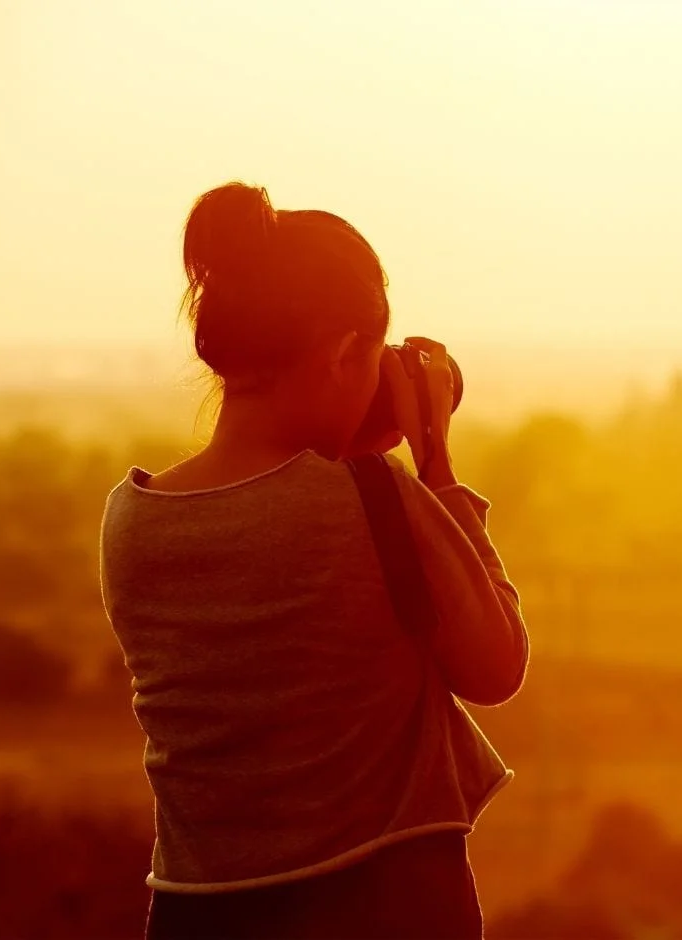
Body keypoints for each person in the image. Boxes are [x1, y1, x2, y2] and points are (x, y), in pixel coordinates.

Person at [99, 181, 529, 939]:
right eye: (371, 362)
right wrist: (435, 465)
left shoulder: (131, 520)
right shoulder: (376, 499)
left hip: (197, 909)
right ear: (341, 355)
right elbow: (498, 666)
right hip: (382, 902)